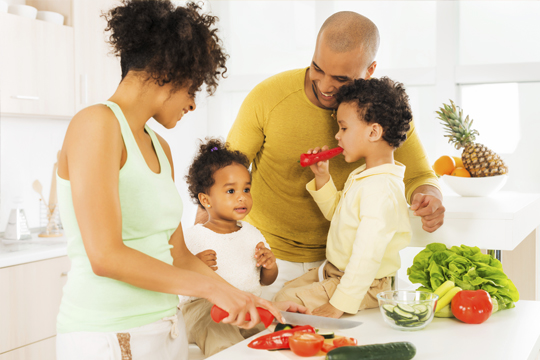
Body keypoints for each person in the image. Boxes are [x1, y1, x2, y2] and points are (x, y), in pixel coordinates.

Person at [54, 2, 302, 359]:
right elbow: (105, 255)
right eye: (193, 88)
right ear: (168, 72)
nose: (193, 104)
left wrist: (250, 302)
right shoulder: (96, 124)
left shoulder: (159, 147)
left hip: (166, 328)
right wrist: (213, 291)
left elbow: (179, 255)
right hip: (108, 335)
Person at [196, 11, 445, 300]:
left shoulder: (384, 113)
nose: (325, 85)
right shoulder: (268, 97)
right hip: (265, 259)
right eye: (317, 68)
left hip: (346, 267)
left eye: (340, 78)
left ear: (369, 70)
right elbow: (220, 175)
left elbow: (420, 176)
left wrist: (430, 197)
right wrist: (201, 239)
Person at [274, 77, 413, 318]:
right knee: (284, 292)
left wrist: (340, 304)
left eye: (344, 128)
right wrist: (322, 178)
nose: (337, 136)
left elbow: (366, 255)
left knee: (286, 302)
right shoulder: (365, 175)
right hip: (337, 272)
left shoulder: (380, 189)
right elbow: (339, 213)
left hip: (366, 284)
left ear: (374, 131)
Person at [180, 138, 278, 356]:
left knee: (270, 331)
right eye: (231, 191)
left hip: (246, 306)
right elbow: (176, 280)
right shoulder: (194, 236)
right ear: (206, 200)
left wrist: (269, 266)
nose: (242, 197)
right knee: (220, 329)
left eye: (246, 189)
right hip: (203, 309)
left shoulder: (252, 233)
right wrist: (194, 267)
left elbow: (265, 280)